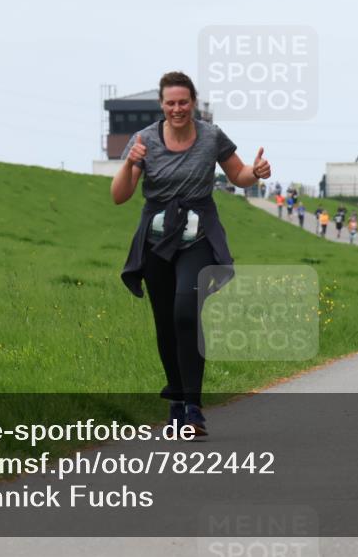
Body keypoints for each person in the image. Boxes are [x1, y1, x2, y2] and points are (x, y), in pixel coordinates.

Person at [113, 71, 272, 437]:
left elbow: (239, 175)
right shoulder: (144, 141)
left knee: (186, 309)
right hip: (155, 241)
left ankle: (193, 408)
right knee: (166, 322)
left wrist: (257, 172)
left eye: (183, 102)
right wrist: (127, 163)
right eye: (170, 103)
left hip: (198, 237)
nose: (177, 109)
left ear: (193, 103)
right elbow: (119, 195)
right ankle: (176, 403)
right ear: (161, 105)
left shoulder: (211, 137)